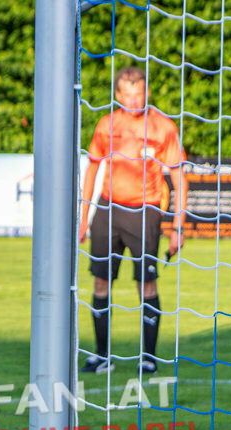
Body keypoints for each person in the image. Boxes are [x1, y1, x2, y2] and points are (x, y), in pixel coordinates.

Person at [78, 66, 188, 375]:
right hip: (108, 209)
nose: (134, 100)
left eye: (139, 93)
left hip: (146, 211)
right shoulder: (106, 124)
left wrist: (177, 228)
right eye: (127, 94)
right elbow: (92, 170)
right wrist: (84, 217)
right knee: (101, 282)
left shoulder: (163, 127)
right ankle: (102, 357)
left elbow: (180, 178)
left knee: (146, 284)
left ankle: (148, 357)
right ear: (117, 95)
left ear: (147, 92)